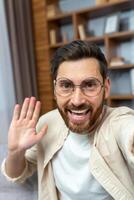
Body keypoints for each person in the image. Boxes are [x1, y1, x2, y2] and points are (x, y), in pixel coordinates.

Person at [1, 40, 134, 200]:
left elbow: (127, 130)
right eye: (66, 85)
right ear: (55, 89)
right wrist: (16, 151)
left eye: (90, 84)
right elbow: (16, 175)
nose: (77, 100)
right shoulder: (46, 123)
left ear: (105, 88)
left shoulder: (118, 121)